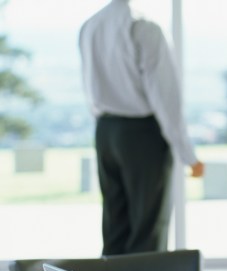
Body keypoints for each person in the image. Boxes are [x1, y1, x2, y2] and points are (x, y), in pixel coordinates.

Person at [79, 0, 204, 255]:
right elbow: (165, 99)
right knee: (148, 229)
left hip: (105, 130)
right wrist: (188, 156)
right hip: (142, 134)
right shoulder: (145, 27)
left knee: (115, 226)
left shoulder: (90, 25)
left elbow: (89, 84)